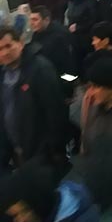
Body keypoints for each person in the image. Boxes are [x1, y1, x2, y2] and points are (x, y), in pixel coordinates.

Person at [0, 26, 67, 170]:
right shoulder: (2, 74)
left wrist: (52, 150)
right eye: (0, 49)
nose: (5, 52)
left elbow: (56, 112)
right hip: (15, 150)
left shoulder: (40, 69)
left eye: (8, 46)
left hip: (40, 153)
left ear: (20, 43)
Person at [66, 0, 97, 72]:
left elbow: (94, 20)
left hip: (87, 39)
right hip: (74, 40)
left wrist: (79, 27)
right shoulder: (71, 1)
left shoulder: (91, 1)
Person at [29, 5, 72, 76]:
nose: (31, 23)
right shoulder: (37, 33)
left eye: (35, 20)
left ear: (46, 20)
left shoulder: (59, 35)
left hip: (61, 75)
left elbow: (64, 62)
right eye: (30, 20)